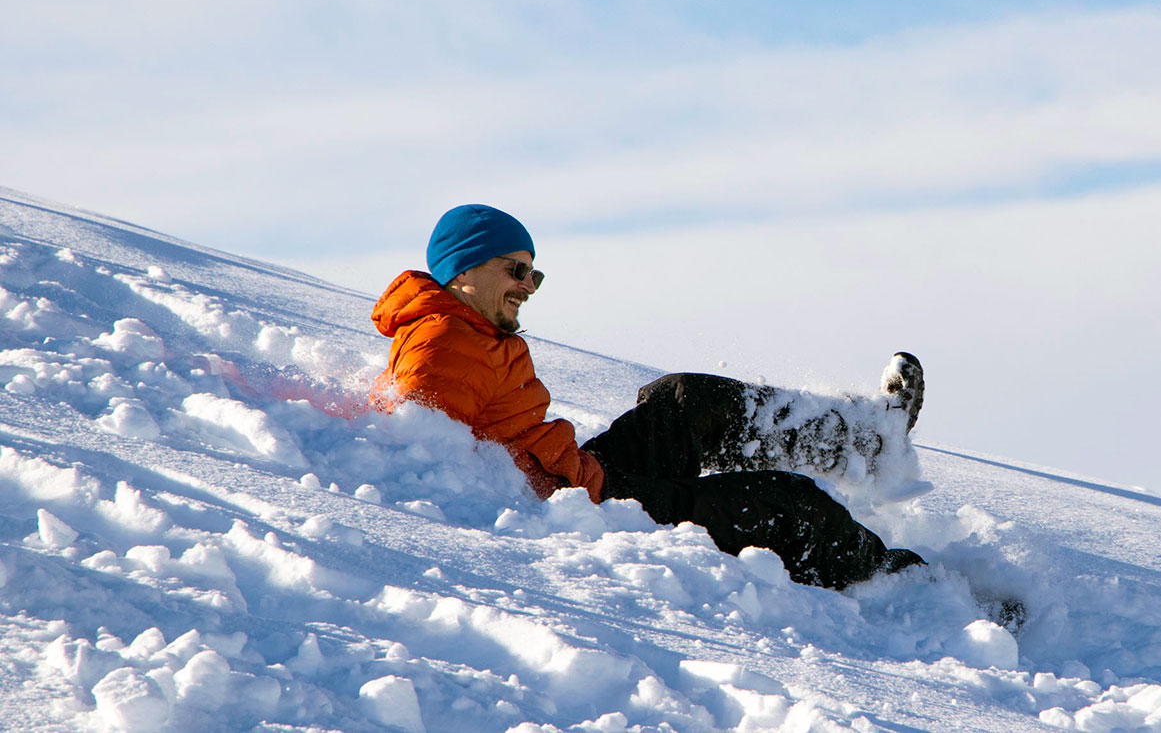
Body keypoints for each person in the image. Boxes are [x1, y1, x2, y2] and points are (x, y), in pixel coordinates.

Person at [370, 204, 925, 589]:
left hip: (578, 475)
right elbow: (424, 451)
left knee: (683, 399)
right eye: (516, 270)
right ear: (463, 268)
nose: (527, 286)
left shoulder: (476, 332)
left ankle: (868, 440)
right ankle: (909, 590)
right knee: (790, 502)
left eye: (535, 276)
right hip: (584, 507)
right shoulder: (447, 341)